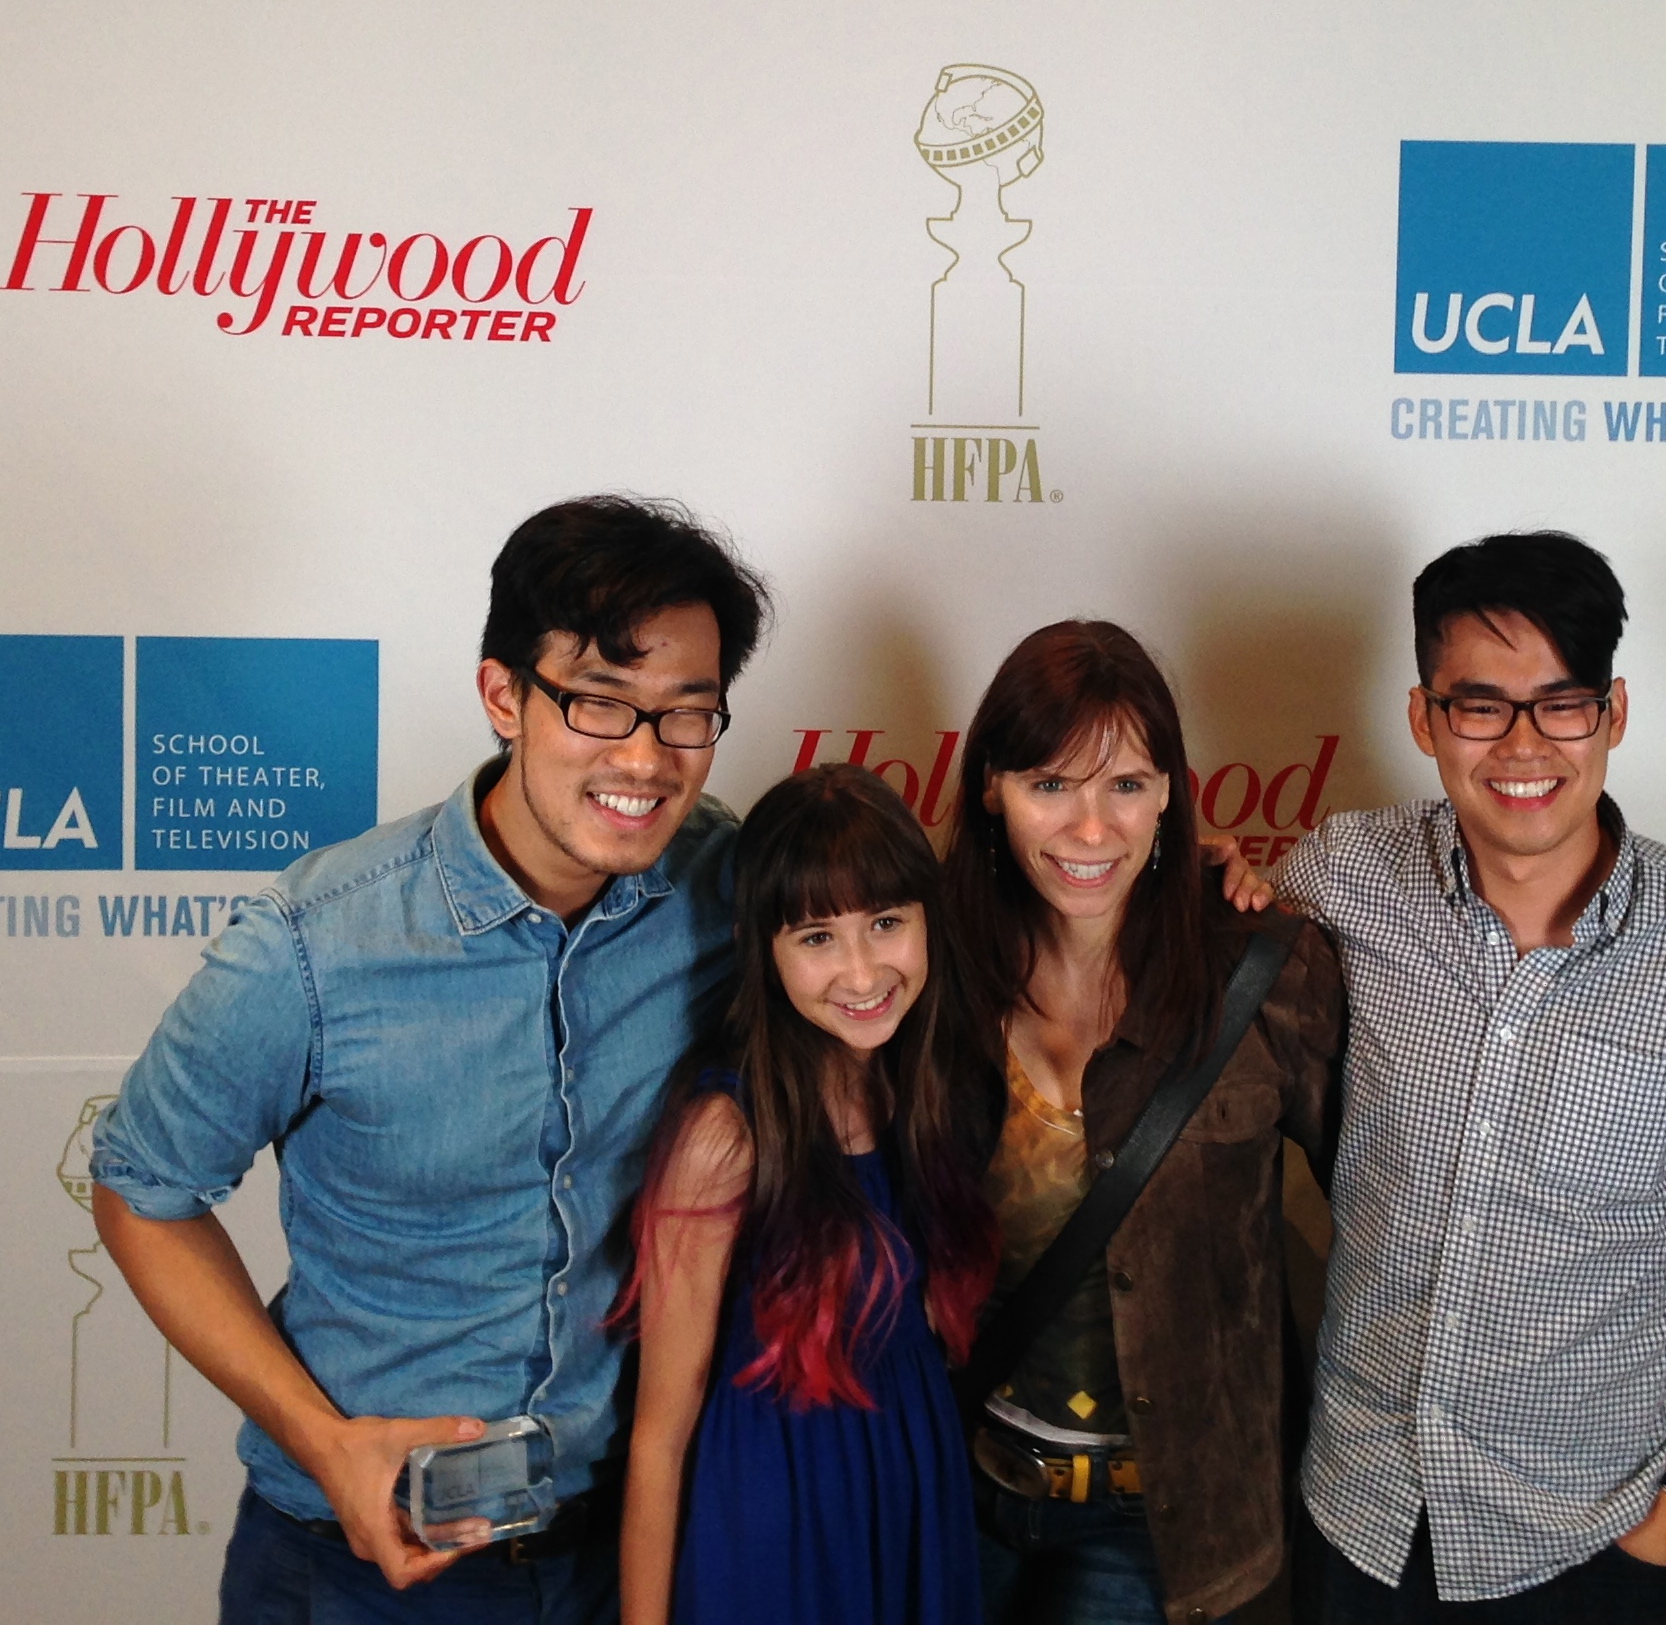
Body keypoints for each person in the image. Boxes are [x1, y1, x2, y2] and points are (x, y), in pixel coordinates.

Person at [88, 495, 769, 1622]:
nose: (645, 760)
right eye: (600, 703)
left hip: (627, 1557)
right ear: (504, 693)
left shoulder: (725, 890)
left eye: (685, 715)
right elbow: (140, 1190)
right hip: (357, 1564)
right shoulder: (319, 940)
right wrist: (325, 1441)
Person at [1279, 532, 1666, 1623]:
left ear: (1612, 713)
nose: (1522, 744)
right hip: (1362, 1515)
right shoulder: (1337, 876)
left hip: (1595, 1537)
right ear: (1425, 717)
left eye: (1560, 703)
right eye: (1479, 705)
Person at [945, 620, 1346, 1625]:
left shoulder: (1263, 972)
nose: (1092, 829)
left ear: (1170, 787)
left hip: (1162, 1525)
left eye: (1126, 784)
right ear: (991, 784)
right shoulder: (918, 975)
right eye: (1052, 783)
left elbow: (1405, 1208)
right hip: (955, 1492)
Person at [619, 762, 1000, 1624]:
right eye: (816, 936)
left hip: (912, 1493)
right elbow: (658, 1436)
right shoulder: (726, 1133)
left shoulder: (930, 1086)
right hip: (776, 1518)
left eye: (887, 922)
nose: (862, 971)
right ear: (766, 950)